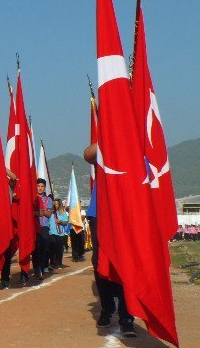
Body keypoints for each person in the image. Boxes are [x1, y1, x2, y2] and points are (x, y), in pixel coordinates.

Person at [83, 144, 136, 337]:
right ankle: (107, 307)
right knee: (99, 261)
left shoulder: (137, 145)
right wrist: (107, 135)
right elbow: (87, 155)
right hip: (100, 211)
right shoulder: (108, 144)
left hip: (128, 212)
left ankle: (127, 315)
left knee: (126, 263)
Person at [32, 178, 53, 280]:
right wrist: (40, 211)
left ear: (45, 188)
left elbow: (48, 214)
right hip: (34, 227)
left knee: (43, 249)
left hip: (44, 227)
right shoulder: (32, 198)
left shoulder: (49, 200)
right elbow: (30, 213)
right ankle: (37, 270)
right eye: (38, 186)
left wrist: (39, 211)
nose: (40, 188)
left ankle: (42, 267)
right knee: (35, 249)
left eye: (42, 186)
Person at [48, 199, 69, 269]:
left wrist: (60, 221)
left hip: (60, 233)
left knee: (59, 249)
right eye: (54, 204)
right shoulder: (50, 213)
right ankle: (52, 263)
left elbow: (66, 223)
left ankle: (59, 262)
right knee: (52, 249)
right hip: (51, 233)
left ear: (59, 205)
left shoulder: (63, 212)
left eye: (56, 204)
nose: (55, 206)